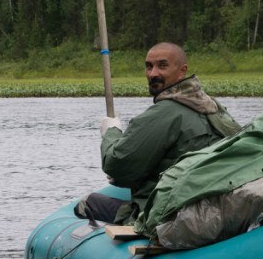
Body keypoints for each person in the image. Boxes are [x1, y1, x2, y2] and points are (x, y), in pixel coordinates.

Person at [76, 42, 242, 224]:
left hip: (167, 213)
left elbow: (115, 165)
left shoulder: (163, 113)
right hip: (213, 204)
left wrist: (111, 131)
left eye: (162, 66)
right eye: (149, 66)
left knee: (87, 203)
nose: (153, 73)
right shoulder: (214, 107)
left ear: (182, 70)